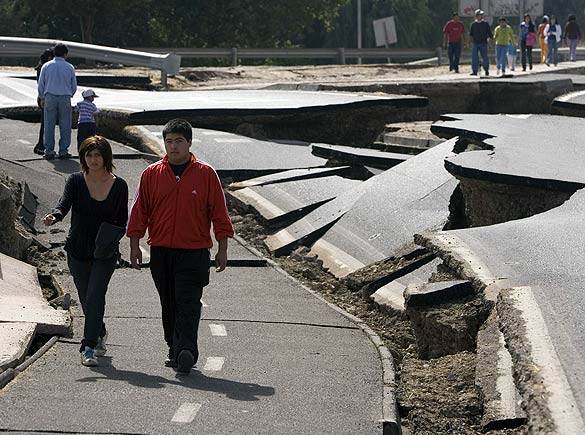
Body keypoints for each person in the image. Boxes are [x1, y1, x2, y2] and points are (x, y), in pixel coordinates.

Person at [127, 118, 234, 375]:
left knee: (188, 300)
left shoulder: (206, 174)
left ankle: (187, 349)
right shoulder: (151, 174)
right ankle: (173, 347)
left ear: (189, 143)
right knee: (169, 302)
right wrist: (134, 245)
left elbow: (219, 213)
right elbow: (140, 211)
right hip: (162, 251)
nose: (173, 147)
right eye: (169, 141)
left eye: (179, 141)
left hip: (194, 252)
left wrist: (222, 248)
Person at [43, 136, 128, 367]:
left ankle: (88, 346)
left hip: (105, 253)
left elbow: (122, 219)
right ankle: (98, 330)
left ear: (106, 157)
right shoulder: (76, 181)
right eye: (89, 155)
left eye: (97, 155)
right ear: (83, 157)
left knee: (95, 295)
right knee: (86, 298)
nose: (93, 160)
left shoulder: (119, 185)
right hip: (78, 250)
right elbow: (64, 204)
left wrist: (114, 237)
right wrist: (55, 216)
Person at [37, 43, 77, 160]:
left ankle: (49, 150)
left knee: (49, 124)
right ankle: (63, 150)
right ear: (65, 54)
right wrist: (70, 95)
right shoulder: (69, 67)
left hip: (50, 96)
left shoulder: (46, 66)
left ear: (54, 53)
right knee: (65, 125)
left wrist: (42, 97)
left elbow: (41, 84)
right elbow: (73, 86)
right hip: (65, 96)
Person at [33, 48, 54, 155]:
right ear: (50, 57)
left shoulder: (40, 68)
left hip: (41, 97)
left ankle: (41, 144)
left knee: (45, 122)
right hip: (46, 98)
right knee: (47, 123)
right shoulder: (46, 68)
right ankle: (42, 145)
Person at [469, 9, 493, 76]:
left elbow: (490, 34)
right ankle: (474, 71)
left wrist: (491, 41)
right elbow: (471, 35)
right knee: (474, 57)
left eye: (481, 15)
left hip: (483, 43)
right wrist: (470, 43)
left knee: (485, 57)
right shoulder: (473, 24)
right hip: (475, 43)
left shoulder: (485, 24)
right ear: (476, 16)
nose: (481, 16)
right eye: (479, 15)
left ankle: (486, 70)